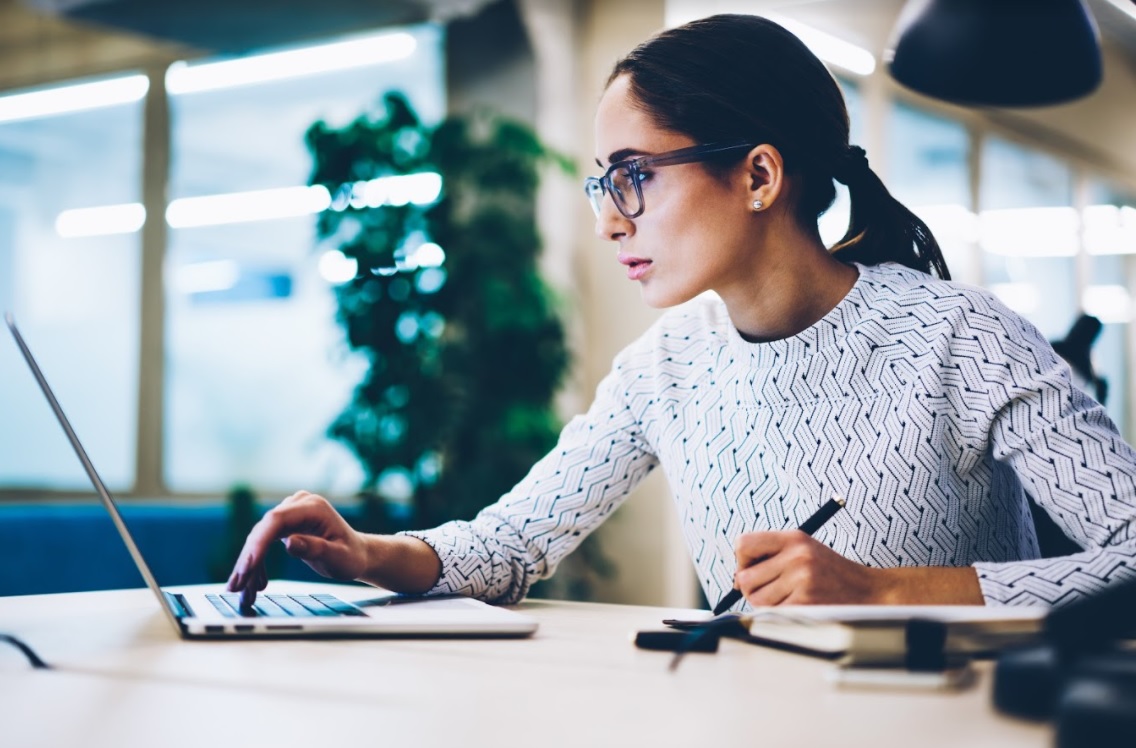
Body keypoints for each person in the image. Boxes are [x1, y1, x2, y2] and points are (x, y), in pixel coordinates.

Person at [228, 14, 1136, 611]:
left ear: (759, 176)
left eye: (633, 176)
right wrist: (368, 551)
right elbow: (512, 543)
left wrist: (889, 592)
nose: (607, 215)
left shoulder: (962, 338)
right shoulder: (667, 365)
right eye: (600, 182)